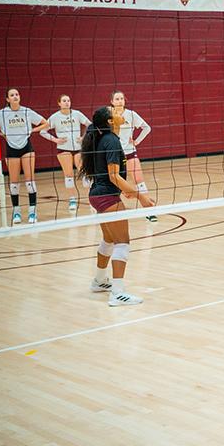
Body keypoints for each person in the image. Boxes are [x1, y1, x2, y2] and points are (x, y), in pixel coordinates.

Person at [79, 106, 155, 306]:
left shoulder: (104, 139)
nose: (120, 113)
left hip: (98, 195)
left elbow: (111, 176)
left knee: (109, 239)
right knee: (122, 242)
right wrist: (141, 196)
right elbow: (113, 177)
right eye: (115, 113)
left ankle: (99, 280)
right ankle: (118, 293)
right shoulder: (111, 141)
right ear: (111, 122)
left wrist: (128, 191)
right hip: (106, 197)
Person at [0, 88, 49, 224]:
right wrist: (0, 134)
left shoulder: (26, 111)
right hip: (11, 149)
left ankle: (32, 212)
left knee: (30, 181)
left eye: (17, 94)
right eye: (12, 95)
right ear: (7, 99)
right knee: (14, 182)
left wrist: (32, 130)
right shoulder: (2, 114)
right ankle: (16, 212)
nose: (15, 97)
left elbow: (46, 123)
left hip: (27, 148)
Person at [109, 90, 156, 221]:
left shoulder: (131, 114)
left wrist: (137, 141)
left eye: (121, 99)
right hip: (114, 155)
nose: (119, 101)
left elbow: (147, 128)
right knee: (116, 184)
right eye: (117, 99)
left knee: (139, 181)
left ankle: (149, 210)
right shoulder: (108, 115)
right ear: (112, 102)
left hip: (130, 152)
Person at [42, 94, 91, 212]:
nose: (67, 103)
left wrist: (84, 137)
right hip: (63, 148)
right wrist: (55, 140)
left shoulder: (77, 114)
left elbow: (90, 125)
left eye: (68, 100)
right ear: (59, 103)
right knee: (68, 175)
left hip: (78, 148)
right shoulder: (55, 117)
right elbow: (42, 131)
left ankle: (91, 199)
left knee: (84, 173)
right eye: (64, 101)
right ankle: (72, 199)